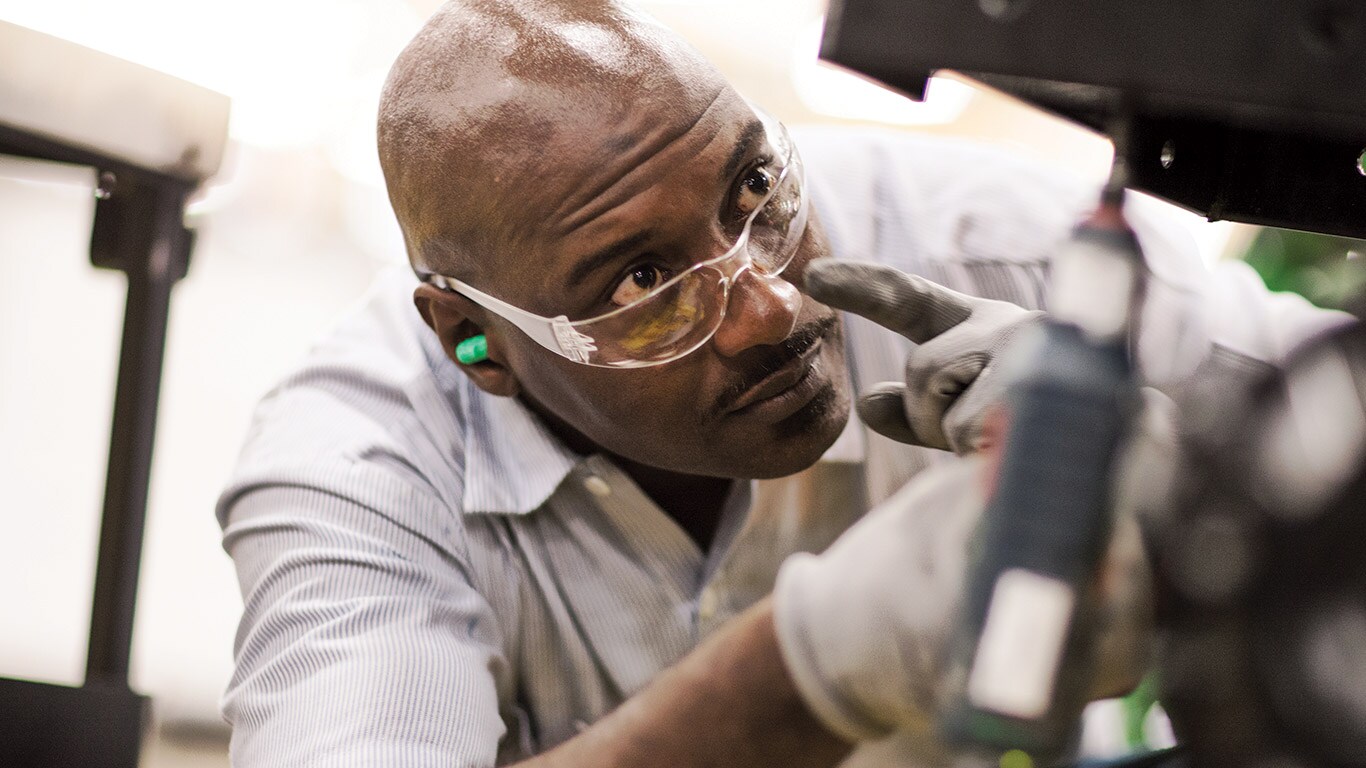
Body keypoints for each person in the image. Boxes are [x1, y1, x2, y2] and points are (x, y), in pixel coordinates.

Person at [215, 1, 1344, 766]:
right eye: (644, 280)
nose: (772, 307)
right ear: (475, 342)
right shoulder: (357, 468)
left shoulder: (988, 247)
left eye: (753, 190)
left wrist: (1210, 473)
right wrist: (812, 666)